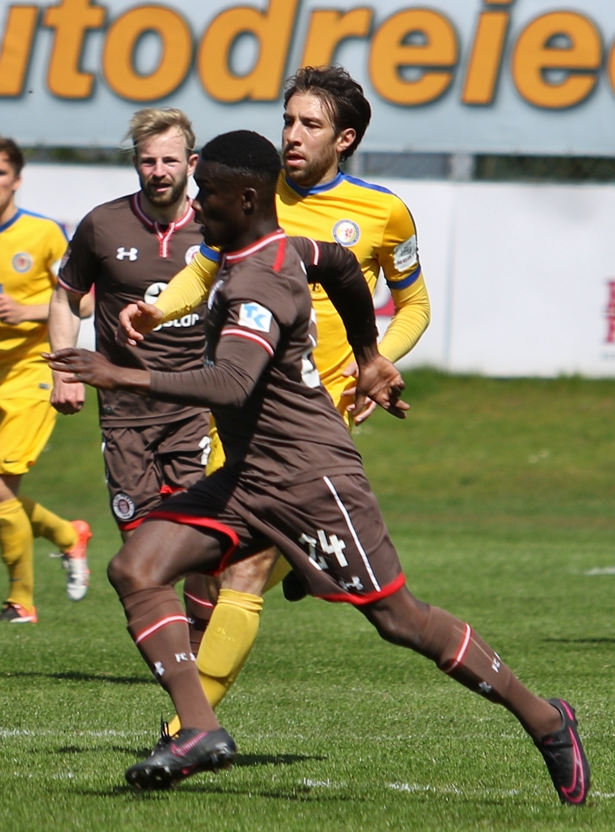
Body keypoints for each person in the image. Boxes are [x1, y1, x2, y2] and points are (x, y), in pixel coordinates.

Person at [47, 130, 589, 805]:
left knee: (401, 621)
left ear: (246, 197)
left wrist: (122, 375)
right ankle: (198, 729)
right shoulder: (274, 246)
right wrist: (368, 352)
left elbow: (232, 384)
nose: (197, 202)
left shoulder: (258, 281)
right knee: (136, 567)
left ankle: (546, 720)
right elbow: (335, 262)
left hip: (311, 480)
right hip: (249, 478)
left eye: (207, 192)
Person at [128, 66, 434, 715]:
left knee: (239, 571)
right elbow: (203, 268)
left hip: (311, 421)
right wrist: (159, 310)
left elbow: (414, 306)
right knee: (206, 573)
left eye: (310, 124)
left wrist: (368, 363)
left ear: (345, 138)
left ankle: (188, 727)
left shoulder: (384, 212)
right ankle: (290, 578)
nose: (292, 135)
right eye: (287, 121)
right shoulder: (255, 194)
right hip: (237, 407)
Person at [49, 109, 218, 549]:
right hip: (125, 414)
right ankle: (163, 619)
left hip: (195, 410)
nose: (159, 172)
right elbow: (66, 296)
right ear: (136, 164)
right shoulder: (102, 225)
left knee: (198, 545)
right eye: (149, 161)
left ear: (192, 164)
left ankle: (201, 622)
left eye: (170, 161)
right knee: (140, 552)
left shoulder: (216, 229)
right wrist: (64, 372)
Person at [0, 136, 91, 623]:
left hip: (33, 375)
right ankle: (69, 535)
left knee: (1, 492)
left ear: (17, 179)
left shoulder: (45, 235)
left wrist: (29, 311)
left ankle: (20, 602)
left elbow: (85, 301)